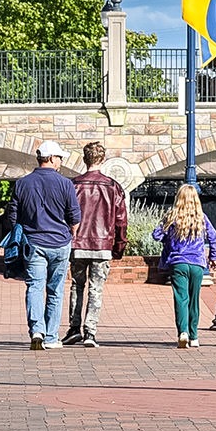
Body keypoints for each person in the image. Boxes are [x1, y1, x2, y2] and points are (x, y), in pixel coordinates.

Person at [7, 141, 81, 350]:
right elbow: (74, 215)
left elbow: (12, 215)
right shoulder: (65, 184)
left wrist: (19, 232)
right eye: (59, 158)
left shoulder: (23, 183)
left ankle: (36, 330)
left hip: (33, 243)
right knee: (55, 290)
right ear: (50, 158)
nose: (61, 162)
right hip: (59, 242)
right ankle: (50, 337)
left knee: (34, 287)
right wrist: (71, 232)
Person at [64, 142, 128, 347]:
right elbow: (121, 220)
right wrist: (119, 246)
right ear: (103, 160)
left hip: (78, 243)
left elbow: (66, 215)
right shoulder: (112, 187)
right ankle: (90, 331)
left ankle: (74, 328)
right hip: (102, 245)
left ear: (84, 159)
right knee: (96, 289)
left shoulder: (73, 185)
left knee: (77, 285)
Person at [152, 184, 216, 348]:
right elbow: (214, 238)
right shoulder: (201, 218)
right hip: (197, 264)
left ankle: (183, 332)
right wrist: (213, 257)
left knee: (181, 298)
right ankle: (194, 336)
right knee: (194, 300)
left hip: (178, 263)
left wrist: (168, 235)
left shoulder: (172, 217)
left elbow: (156, 235)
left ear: (178, 199)